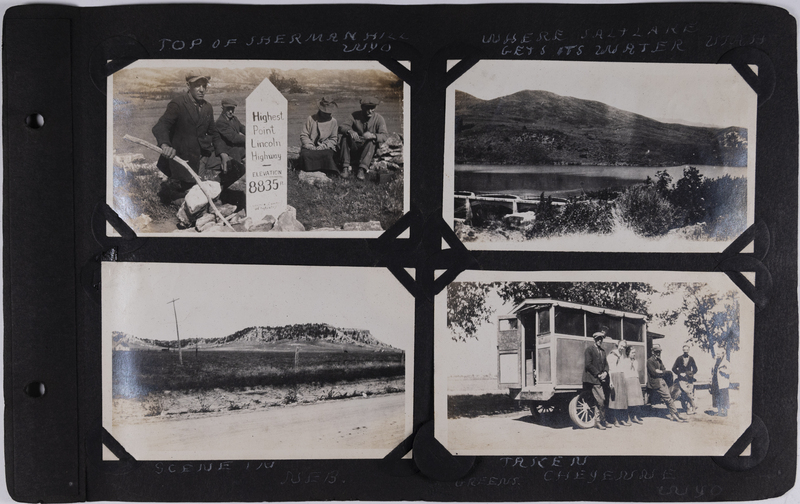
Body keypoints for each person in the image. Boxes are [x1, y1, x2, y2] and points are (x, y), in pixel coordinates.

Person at [152, 72, 239, 204]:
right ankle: (184, 194)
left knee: (236, 166)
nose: (202, 89)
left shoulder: (207, 107)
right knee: (187, 198)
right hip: (183, 158)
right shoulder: (178, 104)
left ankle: (214, 191)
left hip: (203, 154)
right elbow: (161, 126)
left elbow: (214, 133)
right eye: (197, 85)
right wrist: (165, 145)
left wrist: (223, 153)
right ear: (188, 85)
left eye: (204, 86)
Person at [338, 96, 389, 180]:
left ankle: (362, 169)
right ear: (362, 107)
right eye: (367, 108)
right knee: (344, 137)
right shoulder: (354, 115)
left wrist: (373, 135)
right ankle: (345, 167)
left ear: (375, 108)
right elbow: (341, 127)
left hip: (368, 150)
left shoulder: (379, 118)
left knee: (372, 141)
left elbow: (385, 135)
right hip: (354, 147)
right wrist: (349, 131)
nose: (370, 111)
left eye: (372, 108)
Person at [298, 97, 340, 175]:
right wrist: (310, 145)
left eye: (329, 113)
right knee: (305, 155)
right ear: (320, 110)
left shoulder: (333, 121)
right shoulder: (311, 119)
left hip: (325, 147)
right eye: (325, 113)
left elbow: (334, 139)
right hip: (311, 147)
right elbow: (304, 135)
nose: (327, 115)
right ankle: (310, 169)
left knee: (327, 155)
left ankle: (327, 170)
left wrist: (324, 146)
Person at [646, 344, 687, 422]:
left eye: (659, 352)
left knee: (668, 398)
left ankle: (673, 415)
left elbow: (663, 370)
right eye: (657, 351)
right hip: (656, 382)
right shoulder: (650, 361)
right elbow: (654, 373)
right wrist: (661, 372)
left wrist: (661, 371)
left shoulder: (659, 360)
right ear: (653, 352)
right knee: (668, 398)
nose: (658, 353)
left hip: (661, 381)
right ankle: (675, 414)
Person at [582, 331, 613, 430]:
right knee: (601, 400)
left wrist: (605, 372)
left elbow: (606, 365)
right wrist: (598, 374)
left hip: (601, 379)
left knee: (600, 401)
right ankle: (600, 421)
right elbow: (588, 364)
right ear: (594, 339)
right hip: (593, 379)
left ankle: (602, 421)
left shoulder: (603, 351)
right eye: (598, 339)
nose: (600, 340)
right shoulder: (589, 350)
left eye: (601, 339)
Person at [215, 98, 246, 164]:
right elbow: (233, 138)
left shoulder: (234, 119)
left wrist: (252, 132)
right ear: (222, 108)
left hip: (235, 147)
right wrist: (250, 138)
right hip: (228, 149)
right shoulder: (220, 122)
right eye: (228, 109)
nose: (231, 111)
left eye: (232, 109)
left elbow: (242, 128)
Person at [606, 340, 630, 426]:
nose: (622, 348)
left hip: (622, 377)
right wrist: (611, 381)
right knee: (615, 399)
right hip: (614, 377)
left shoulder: (622, 356)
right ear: (618, 345)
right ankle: (615, 420)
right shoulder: (611, 355)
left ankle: (621, 419)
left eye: (624, 347)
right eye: (621, 346)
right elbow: (609, 369)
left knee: (622, 399)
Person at [672, 345, 698, 415]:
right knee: (687, 392)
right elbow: (673, 368)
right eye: (684, 350)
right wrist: (680, 373)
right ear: (682, 350)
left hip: (690, 380)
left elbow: (695, 369)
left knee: (690, 393)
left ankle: (688, 408)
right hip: (682, 380)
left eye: (687, 350)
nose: (685, 351)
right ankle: (693, 406)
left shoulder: (691, 358)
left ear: (689, 350)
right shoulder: (679, 358)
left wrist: (691, 373)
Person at [624, 346, 645, 424]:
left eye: (635, 353)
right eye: (632, 352)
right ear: (628, 353)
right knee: (629, 400)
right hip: (628, 380)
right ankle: (628, 417)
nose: (634, 354)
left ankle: (635, 417)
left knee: (636, 400)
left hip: (635, 380)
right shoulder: (624, 361)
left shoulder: (636, 362)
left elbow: (635, 371)